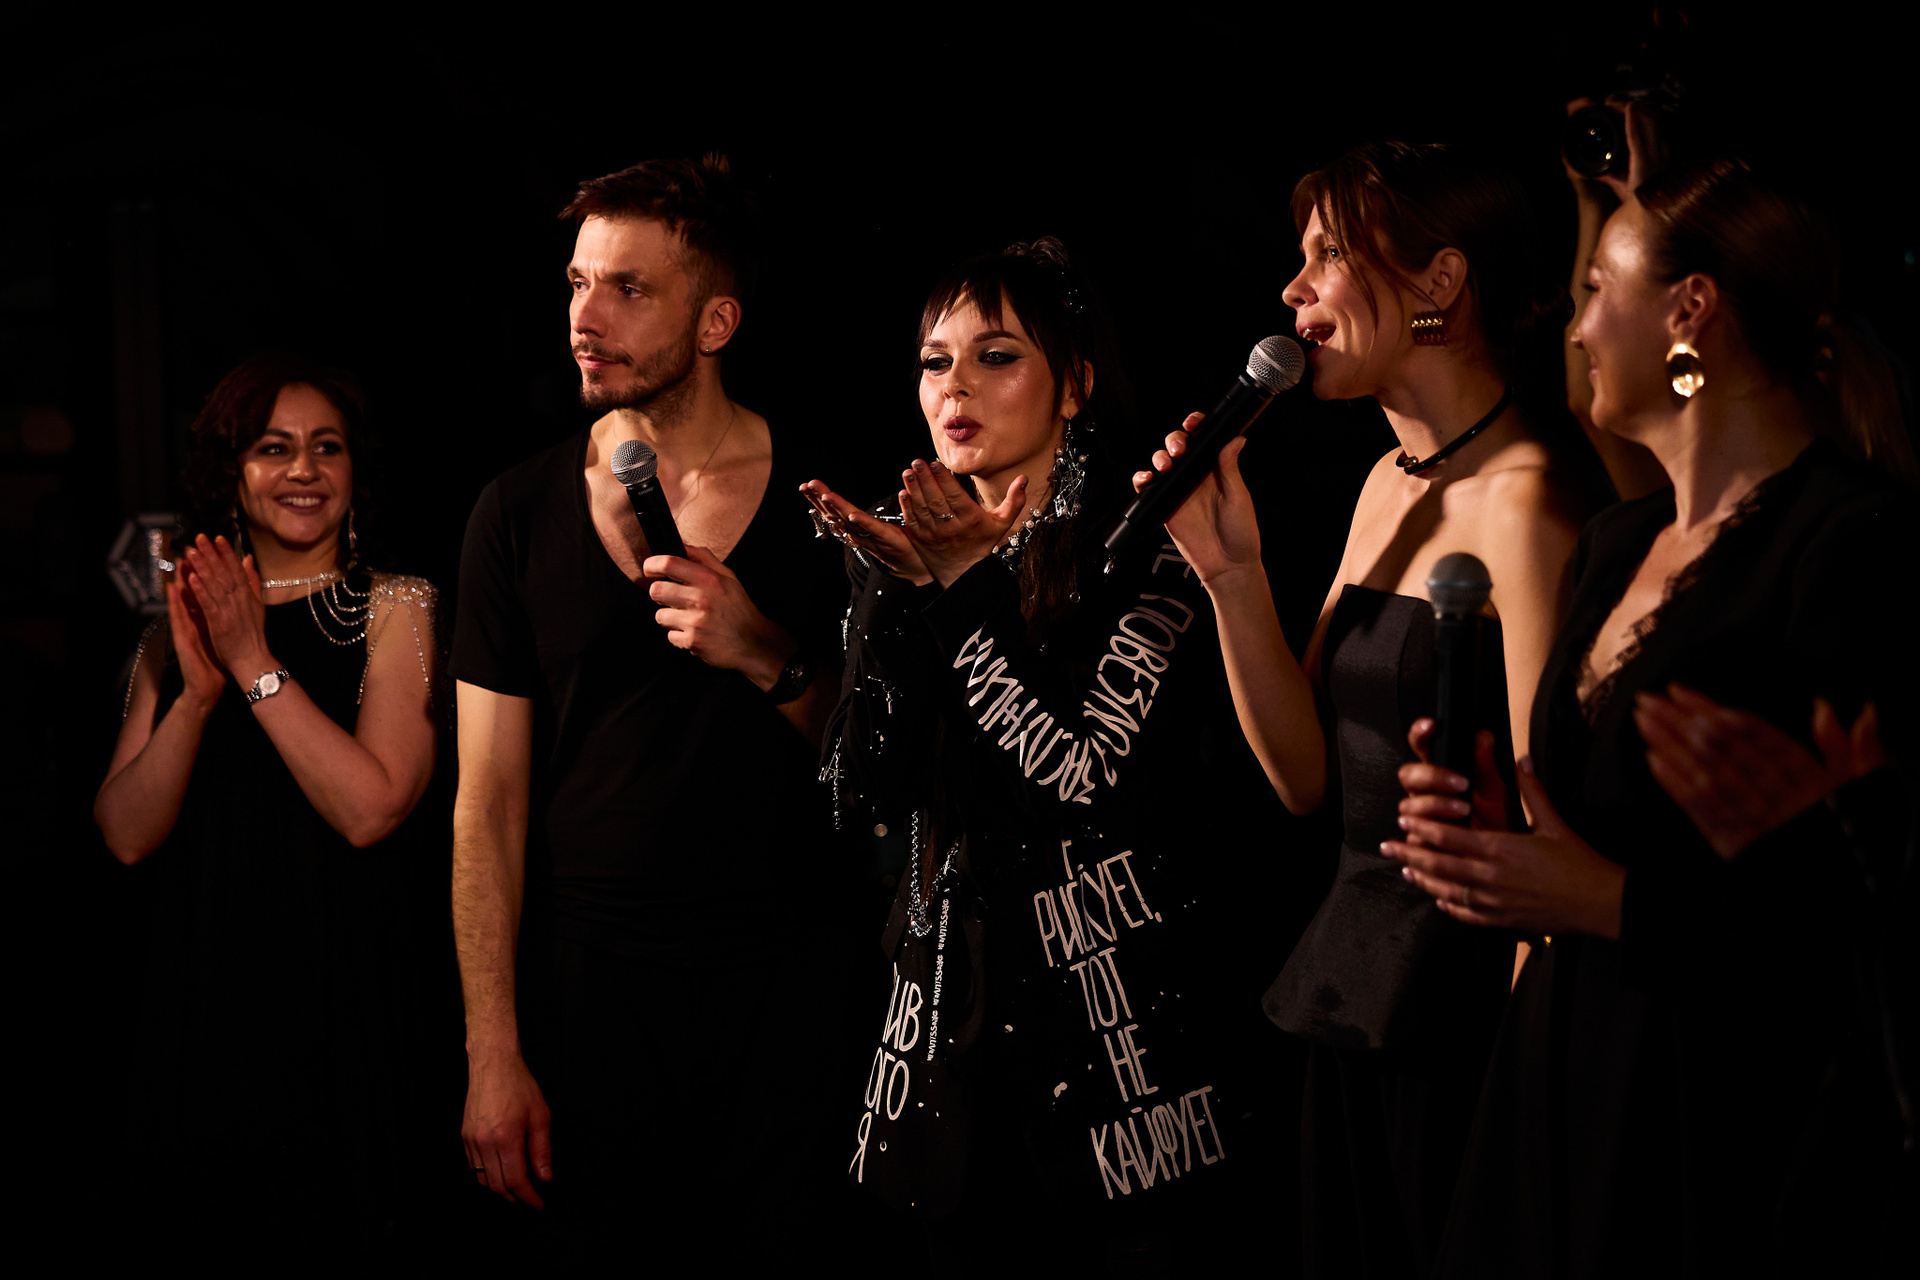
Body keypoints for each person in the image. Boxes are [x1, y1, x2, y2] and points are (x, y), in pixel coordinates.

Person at [1384, 158, 1918, 1277]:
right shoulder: (1615, 543)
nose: (1577, 328)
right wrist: (1494, 830)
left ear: (1690, 310)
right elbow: (1595, 817)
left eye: (1596, 290)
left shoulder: (1851, 546)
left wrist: (1608, 898)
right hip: (1558, 1075)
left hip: (1710, 1112)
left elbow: (1858, 918)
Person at [1139, 143, 1604, 1277]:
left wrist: (1530, 1088)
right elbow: (1307, 778)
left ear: (1441, 281)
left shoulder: (1530, 500)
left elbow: (1551, 835)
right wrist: (1231, 575)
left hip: (1469, 1028)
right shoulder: (1386, 481)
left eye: (1329, 255)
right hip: (1351, 993)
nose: (1292, 289)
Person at [803, 238, 1292, 1270]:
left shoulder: (1152, 541)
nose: (955, 387)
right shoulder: (902, 544)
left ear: (1073, 384)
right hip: (944, 1060)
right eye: (934, 361)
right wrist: (897, 594)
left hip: (1124, 1069)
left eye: (996, 356)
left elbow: (1074, 777)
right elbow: (856, 796)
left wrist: (960, 589)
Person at [449, 154, 849, 1265]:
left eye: (629, 288)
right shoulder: (515, 513)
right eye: (578, 283)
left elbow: (884, 764)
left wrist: (762, 650)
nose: (586, 317)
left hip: (789, 987)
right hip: (590, 994)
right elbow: (487, 804)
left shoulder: (827, 501)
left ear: (716, 321)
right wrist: (492, 1050)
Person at [93, 354, 443, 1250]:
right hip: (207, 997)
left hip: (342, 997)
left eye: (327, 447)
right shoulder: (172, 632)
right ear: (232, 471)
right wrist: (197, 698)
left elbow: (373, 807)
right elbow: (124, 835)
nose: (303, 469)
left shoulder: (398, 606)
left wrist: (251, 661)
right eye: (273, 447)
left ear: (355, 469)